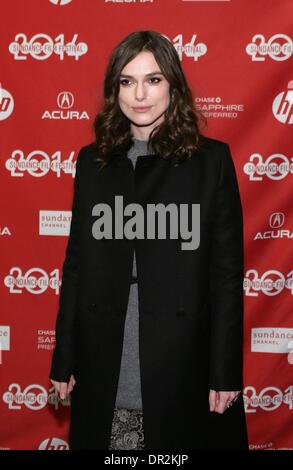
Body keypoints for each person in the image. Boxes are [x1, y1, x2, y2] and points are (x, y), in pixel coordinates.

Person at [50, 30, 248, 450]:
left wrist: (225, 371)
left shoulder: (210, 162)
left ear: (173, 86)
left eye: (154, 79)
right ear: (114, 89)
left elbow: (227, 278)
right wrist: (64, 356)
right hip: (105, 349)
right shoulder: (93, 162)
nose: (139, 94)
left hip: (181, 356)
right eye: (127, 80)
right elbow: (77, 264)